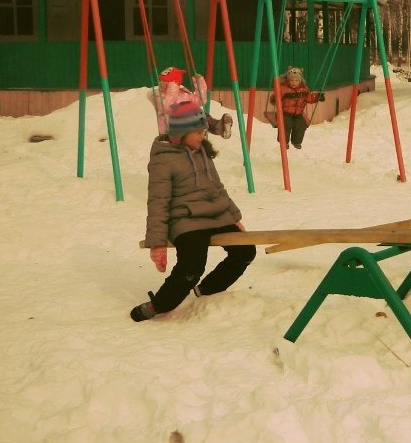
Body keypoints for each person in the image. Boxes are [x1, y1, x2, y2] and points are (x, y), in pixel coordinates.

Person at [130, 99, 256, 322]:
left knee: (245, 251)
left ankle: (206, 291)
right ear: (180, 132)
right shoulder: (164, 160)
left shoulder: (202, 153)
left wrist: (233, 218)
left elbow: (217, 189)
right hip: (186, 220)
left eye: (204, 132)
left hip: (216, 215)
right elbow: (157, 202)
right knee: (192, 266)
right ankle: (159, 305)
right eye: (198, 132)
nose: (202, 137)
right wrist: (157, 242)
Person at [156, 66, 233, 139]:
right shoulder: (159, 96)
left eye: (164, 81)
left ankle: (219, 127)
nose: (160, 83)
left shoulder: (183, 93)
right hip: (172, 129)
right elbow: (167, 107)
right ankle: (211, 128)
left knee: (201, 116)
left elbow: (200, 100)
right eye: (161, 80)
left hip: (190, 122)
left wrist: (200, 83)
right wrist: (173, 85)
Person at [265, 66, 324, 149]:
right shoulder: (283, 89)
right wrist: (275, 98)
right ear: (288, 81)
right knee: (285, 125)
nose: (294, 82)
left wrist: (318, 96)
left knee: (301, 125)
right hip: (285, 113)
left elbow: (309, 98)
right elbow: (274, 99)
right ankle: (284, 142)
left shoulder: (304, 90)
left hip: (298, 114)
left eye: (296, 80)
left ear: (300, 81)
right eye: (291, 80)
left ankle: (296, 142)